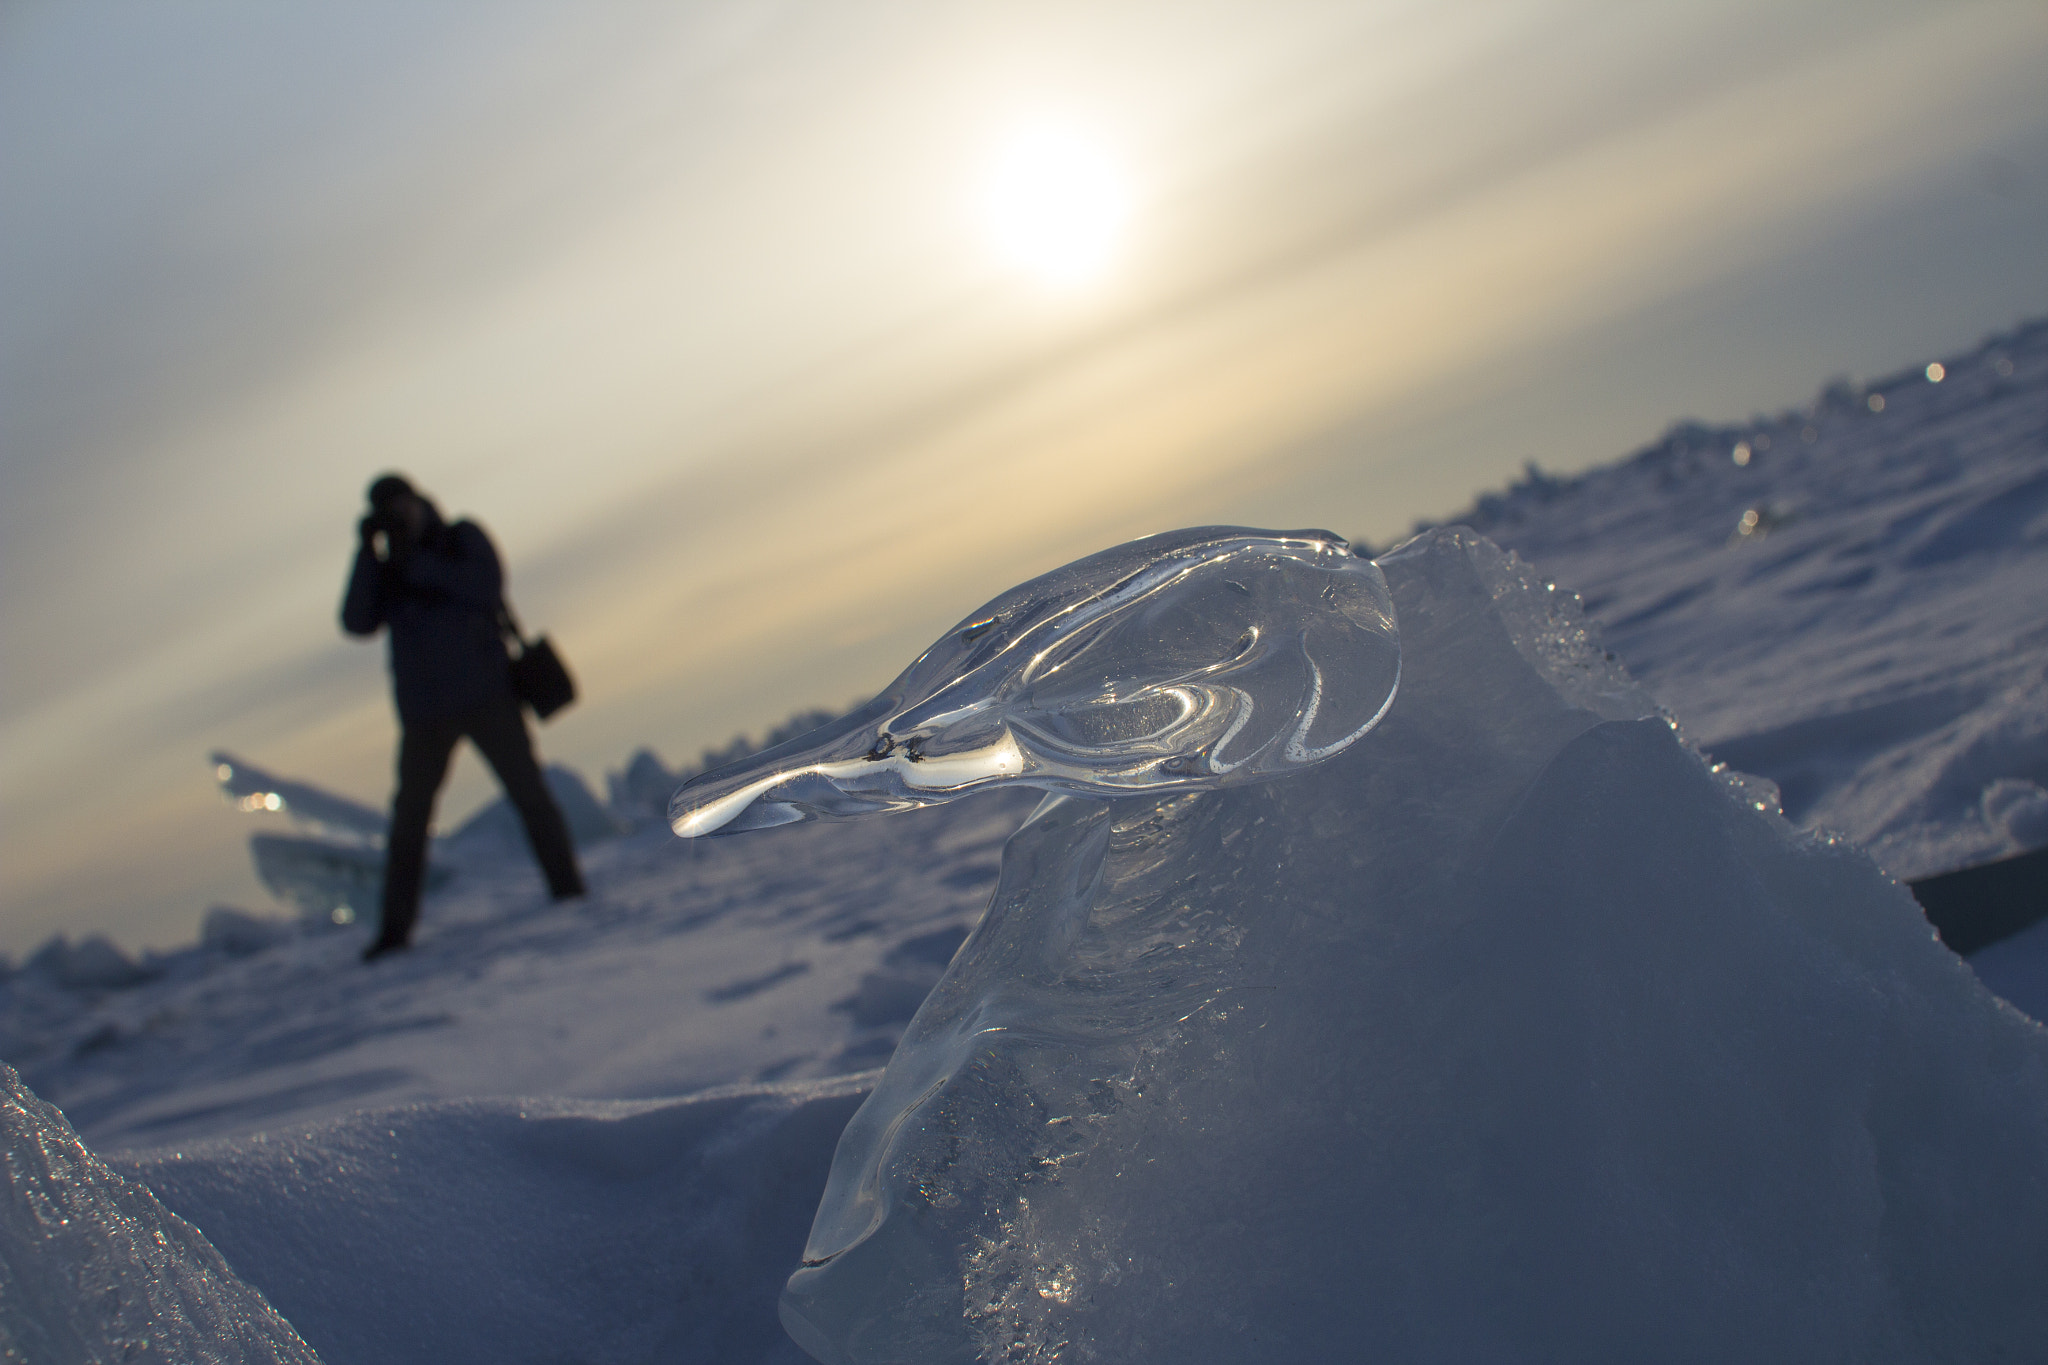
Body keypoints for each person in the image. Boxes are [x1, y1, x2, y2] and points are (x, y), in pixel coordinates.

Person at [341, 474, 583, 961]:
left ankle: (569, 889)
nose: (396, 515)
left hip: (487, 695)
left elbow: (486, 584)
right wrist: (367, 553)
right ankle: (395, 932)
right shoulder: (385, 567)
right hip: (425, 715)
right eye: (385, 510)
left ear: (418, 500)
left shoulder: (459, 538)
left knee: (529, 795)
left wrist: (418, 563)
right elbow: (356, 622)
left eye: (399, 505)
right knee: (408, 822)